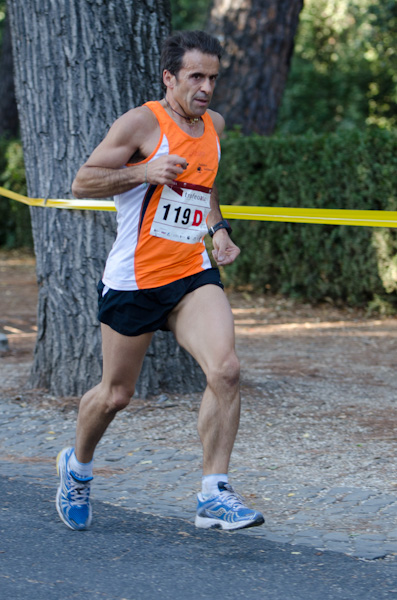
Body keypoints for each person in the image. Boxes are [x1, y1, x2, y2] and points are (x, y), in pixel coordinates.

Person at [56, 30, 264, 532]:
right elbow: (82, 181)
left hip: (190, 272)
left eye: (213, 77)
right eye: (196, 76)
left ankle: (213, 493)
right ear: (170, 77)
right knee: (116, 394)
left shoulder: (213, 124)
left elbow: (203, 184)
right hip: (135, 279)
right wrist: (144, 171)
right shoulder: (141, 123)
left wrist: (218, 232)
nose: (206, 87)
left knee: (227, 370)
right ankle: (77, 467)